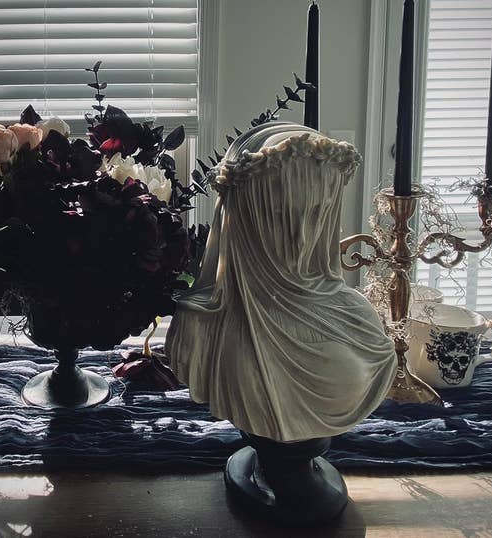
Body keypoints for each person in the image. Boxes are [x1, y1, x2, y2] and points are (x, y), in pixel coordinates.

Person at [166, 122, 396, 442]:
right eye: (277, 215)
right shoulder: (199, 326)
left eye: (316, 213)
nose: (300, 236)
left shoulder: (360, 319)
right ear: (242, 215)